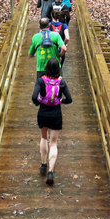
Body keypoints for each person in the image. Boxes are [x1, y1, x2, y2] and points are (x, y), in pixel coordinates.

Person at [31, 57, 72, 185]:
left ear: (46, 68)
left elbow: (33, 97)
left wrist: (39, 103)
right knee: (53, 143)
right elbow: (69, 99)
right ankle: (50, 171)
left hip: (43, 112)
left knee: (44, 138)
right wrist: (61, 101)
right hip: (56, 113)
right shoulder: (61, 82)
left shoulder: (40, 81)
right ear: (58, 69)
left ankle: (43, 164)